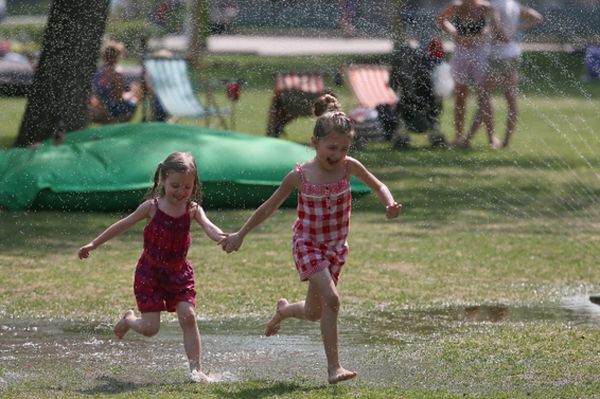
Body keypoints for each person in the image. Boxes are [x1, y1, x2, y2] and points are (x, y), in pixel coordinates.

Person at [220, 94, 402, 384]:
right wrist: (240, 234)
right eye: (331, 148)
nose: (338, 154)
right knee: (333, 299)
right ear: (314, 142)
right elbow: (268, 206)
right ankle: (334, 368)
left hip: (335, 249)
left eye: (344, 148)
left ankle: (284, 310)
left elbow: (378, 185)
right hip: (307, 245)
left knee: (315, 312)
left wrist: (389, 203)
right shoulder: (301, 176)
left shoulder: (348, 167)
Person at [78, 152, 225, 383]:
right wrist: (94, 243)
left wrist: (224, 238)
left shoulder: (193, 209)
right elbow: (122, 224)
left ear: (194, 185)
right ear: (163, 180)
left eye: (187, 187)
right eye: (175, 185)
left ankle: (196, 371)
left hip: (179, 273)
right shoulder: (152, 207)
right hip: (150, 274)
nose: (181, 192)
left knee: (188, 316)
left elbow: (210, 228)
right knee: (150, 329)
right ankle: (128, 319)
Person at [464, 0, 542, 148]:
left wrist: (499, 33)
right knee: (511, 100)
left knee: (484, 98)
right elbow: (537, 17)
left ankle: (467, 140)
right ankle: (506, 142)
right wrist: (517, 31)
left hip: (499, 58)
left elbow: (499, 32)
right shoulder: (513, 4)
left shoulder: (495, 5)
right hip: (513, 55)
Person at [435, 0, 504, 149]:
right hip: (460, 53)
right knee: (460, 95)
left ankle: (491, 136)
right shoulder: (456, 7)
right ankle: (459, 136)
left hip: (481, 53)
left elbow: (496, 25)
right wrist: (453, 32)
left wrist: (486, 32)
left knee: (484, 95)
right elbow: (440, 19)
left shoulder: (485, 8)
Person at [90, 40, 143, 124]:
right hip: (112, 109)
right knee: (135, 99)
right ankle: (122, 126)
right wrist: (133, 92)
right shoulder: (116, 73)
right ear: (118, 56)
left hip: (99, 107)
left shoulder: (98, 71)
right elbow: (119, 97)